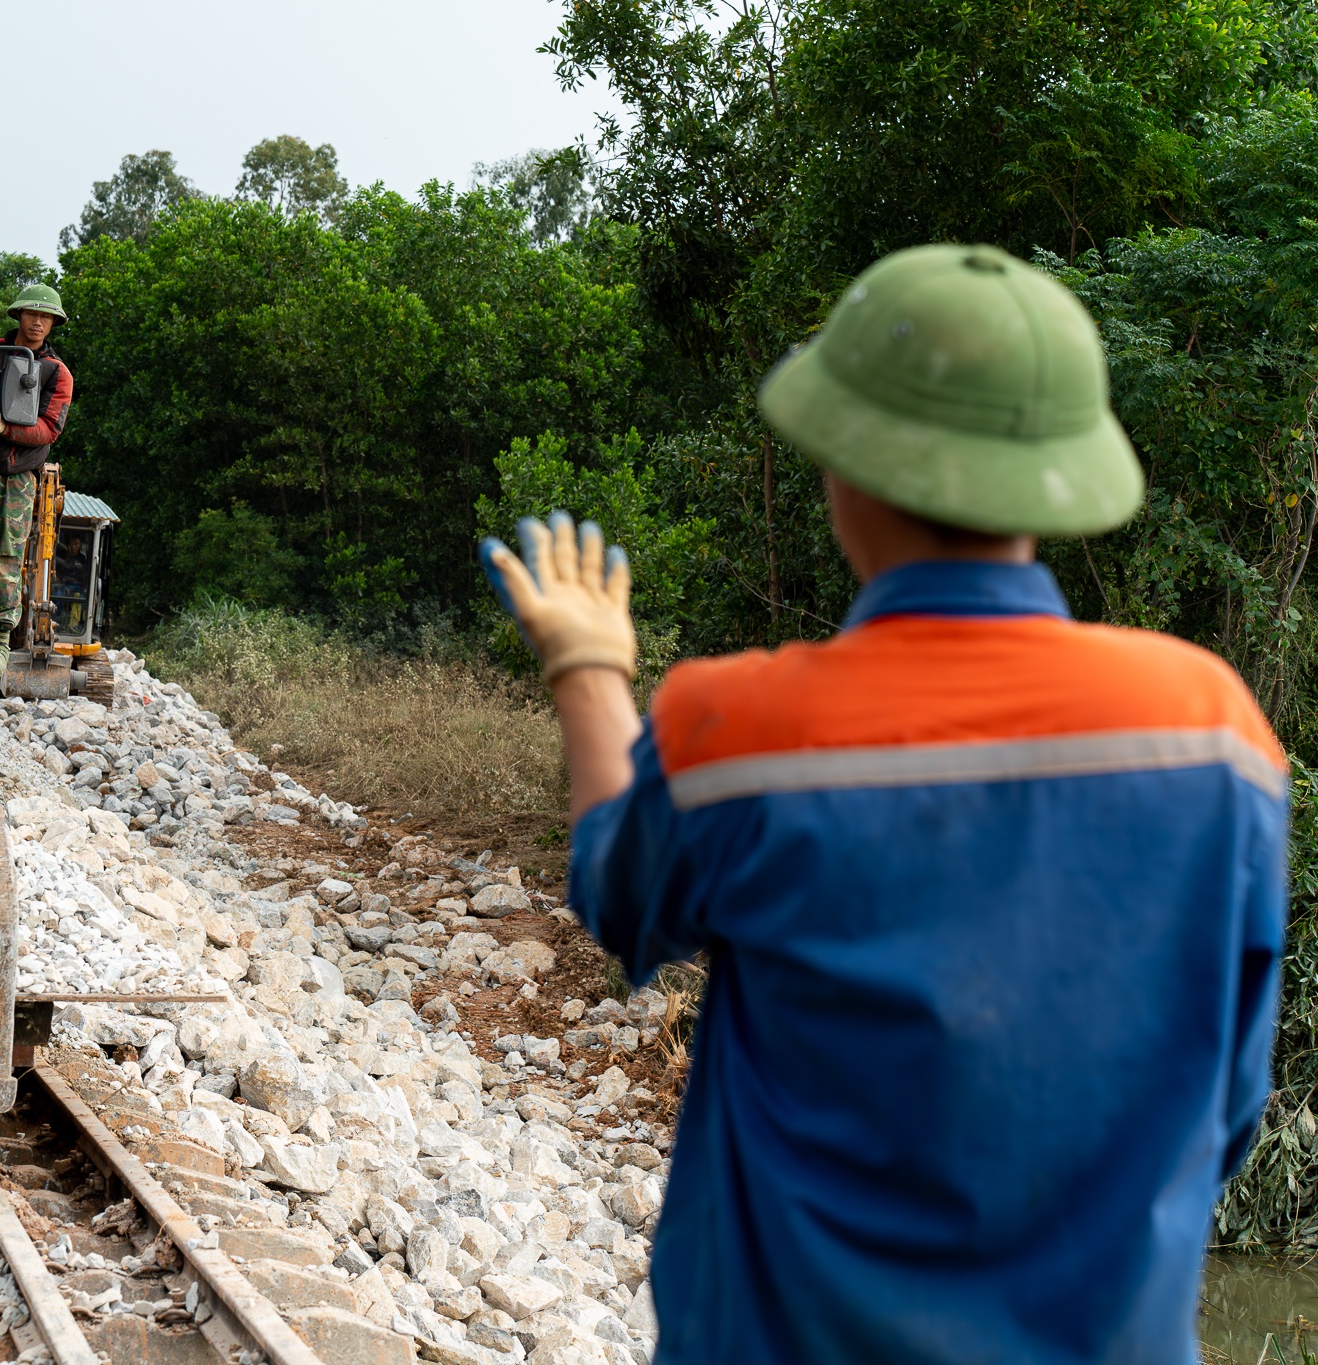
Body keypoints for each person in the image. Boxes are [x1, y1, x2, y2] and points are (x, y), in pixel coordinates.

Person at [480, 244, 1286, 1362]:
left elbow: (620, 895)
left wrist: (586, 670)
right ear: (1053, 479)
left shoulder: (742, 730)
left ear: (844, 471)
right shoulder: (1213, 733)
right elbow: (1225, 1108)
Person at [0, 283, 75, 659]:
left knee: (8, 553)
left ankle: (1, 639)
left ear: (53, 323)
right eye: (33, 314)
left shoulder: (57, 373)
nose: (38, 323)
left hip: (18, 474)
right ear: (19, 315)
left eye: (46, 317)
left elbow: (50, 429)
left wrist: (5, 427)